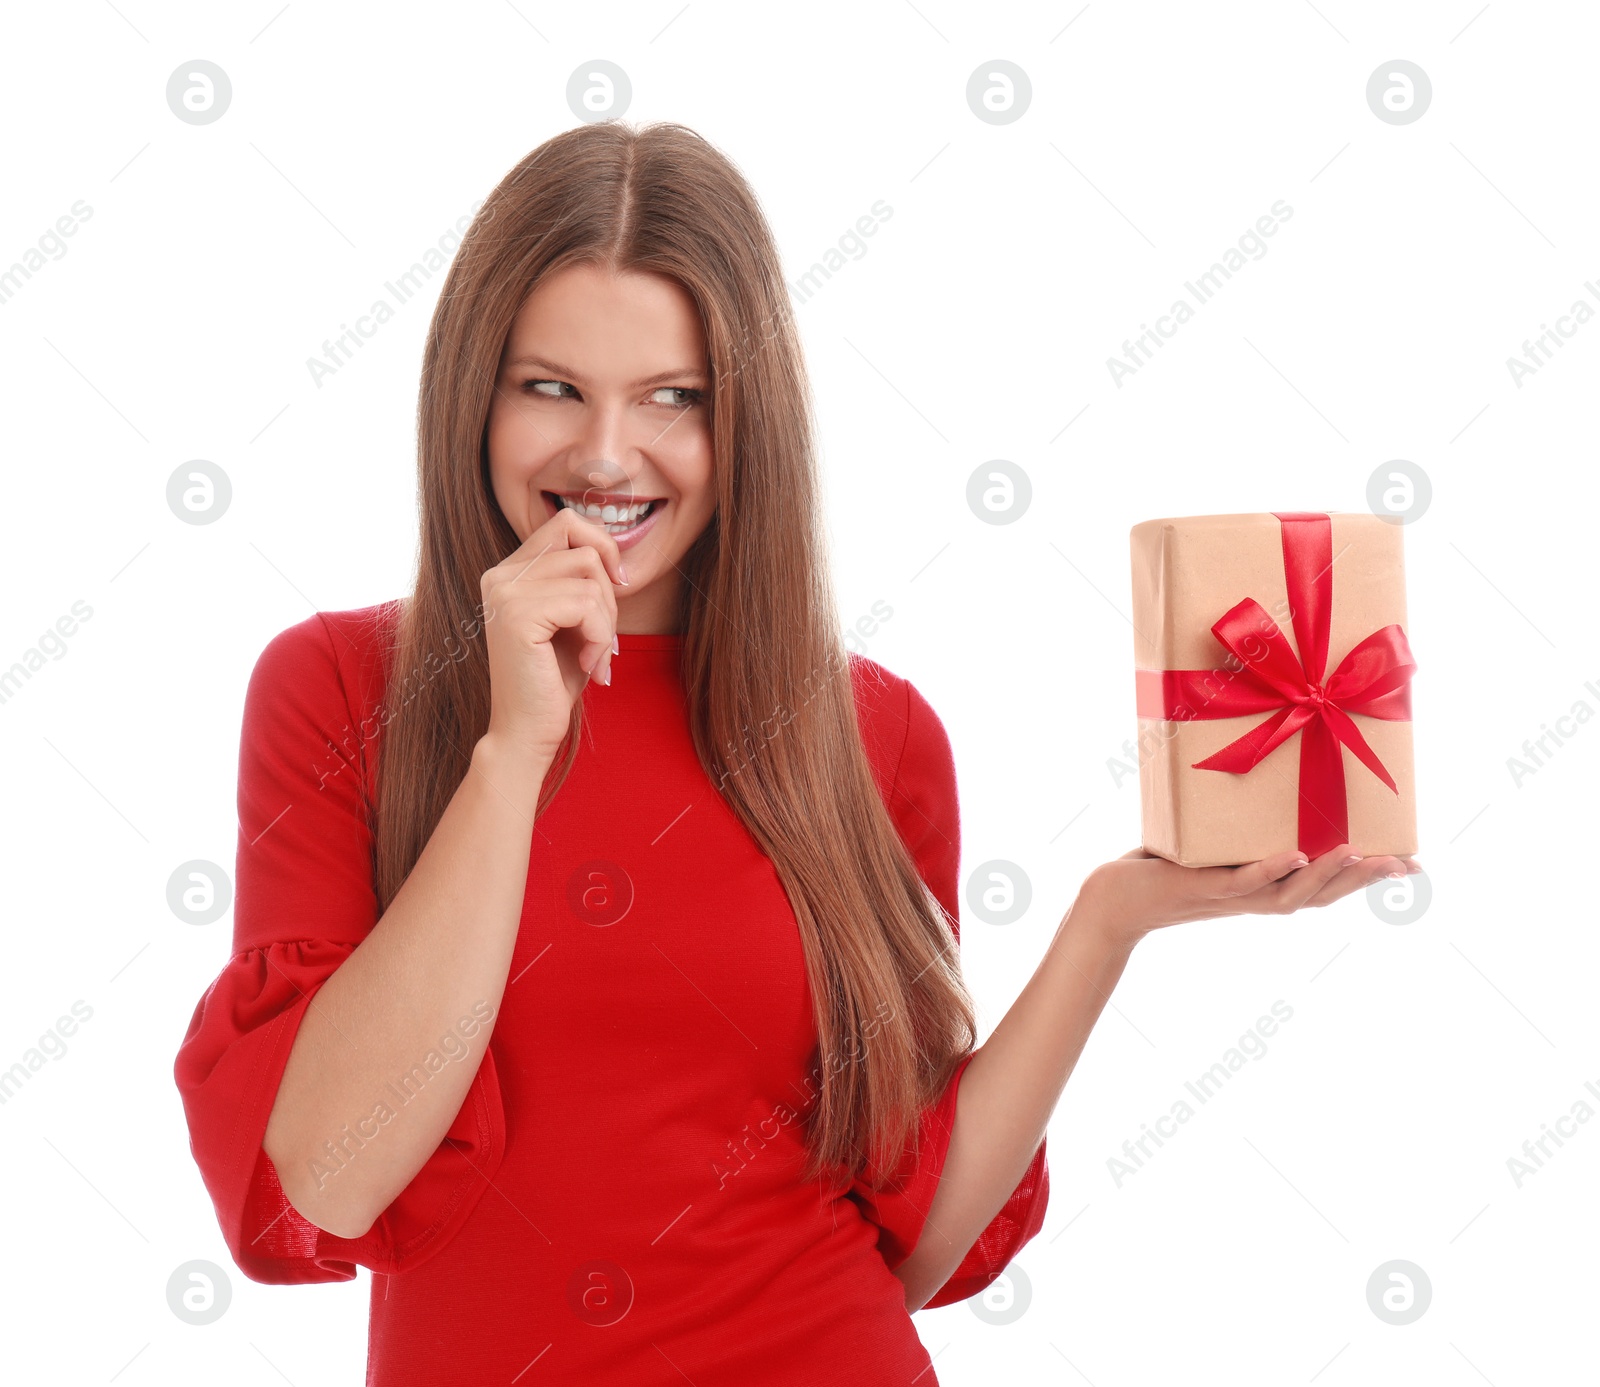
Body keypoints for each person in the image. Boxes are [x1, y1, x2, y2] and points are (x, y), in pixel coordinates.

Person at [173, 120, 1419, 1386]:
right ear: (471, 394)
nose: (608, 452)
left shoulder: (873, 736)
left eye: (675, 398)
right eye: (550, 385)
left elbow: (916, 1246)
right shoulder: (336, 690)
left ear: (744, 423)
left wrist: (1111, 919)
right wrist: (510, 753)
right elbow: (325, 1177)